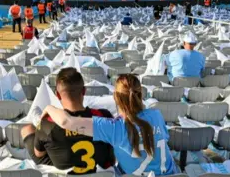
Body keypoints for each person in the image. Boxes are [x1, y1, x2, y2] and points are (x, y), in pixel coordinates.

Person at [42, 74, 178, 176]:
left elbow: (67, 122)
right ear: (141, 93)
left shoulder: (114, 128)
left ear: (116, 98)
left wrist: (49, 108)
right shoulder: (157, 115)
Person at [20, 68, 115, 172]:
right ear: (84, 91)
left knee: (28, 130)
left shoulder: (46, 123)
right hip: (98, 169)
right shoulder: (103, 115)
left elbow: (38, 154)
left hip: (63, 168)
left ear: (57, 94)